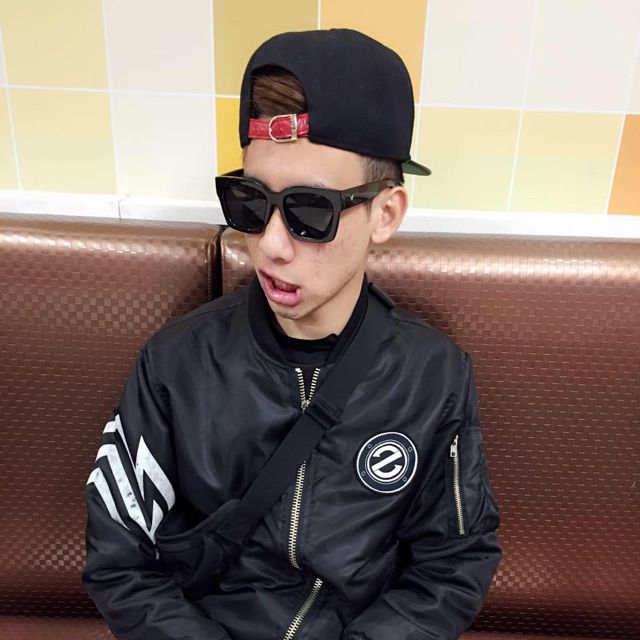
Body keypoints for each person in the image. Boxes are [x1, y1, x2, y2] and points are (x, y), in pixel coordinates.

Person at [82, 28, 502, 640]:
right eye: (251, 202)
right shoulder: (176, 365)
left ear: (385, 214)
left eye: (311, 210)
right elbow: (121, 562)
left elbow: (453, 563)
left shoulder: (432, 376)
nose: (271, 245)